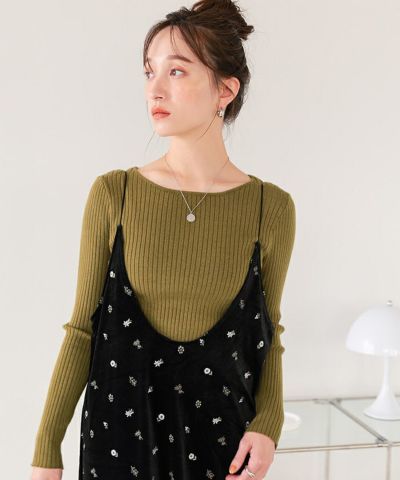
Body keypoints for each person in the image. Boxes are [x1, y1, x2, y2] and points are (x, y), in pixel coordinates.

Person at [30, 1, 296, 479]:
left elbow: (267, 333)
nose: (155, 88)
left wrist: (268, 424)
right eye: (150, 71)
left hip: (223, 448)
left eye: (176, 71)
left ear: (225, 90)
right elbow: (82, 330)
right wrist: (47, 450)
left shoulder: (269, 208)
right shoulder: (115, 194)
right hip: (117, 446)